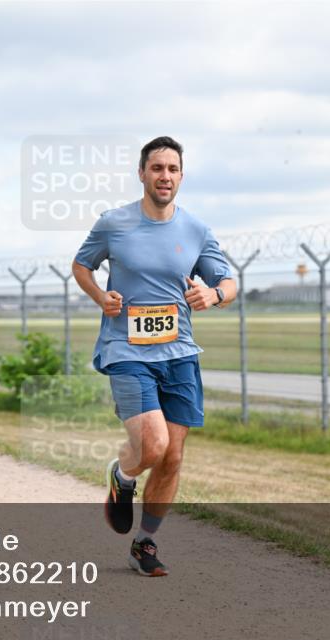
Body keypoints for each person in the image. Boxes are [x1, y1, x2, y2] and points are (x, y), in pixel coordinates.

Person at [72, 136, 237, 576]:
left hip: (179, 353)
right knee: (153, 444)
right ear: (142, 173)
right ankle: (122, 478)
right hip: (126, 349)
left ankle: (144, 543)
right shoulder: (114, 223)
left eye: (173, 169)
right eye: (157, 168)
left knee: (173, 457)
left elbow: (229, 283)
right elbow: (81, 265)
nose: (165, 176)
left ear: (181, 176)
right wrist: (99, 296)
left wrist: (214, 293)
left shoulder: (196, 230)